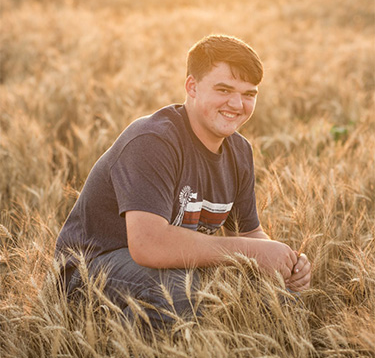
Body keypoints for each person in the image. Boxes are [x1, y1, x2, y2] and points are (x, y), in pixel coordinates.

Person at [55, 34, 311, 330]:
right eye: (224, 89)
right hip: (89, 270)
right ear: (192, 86)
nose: (237, 104)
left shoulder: (240, 152)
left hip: (171, 269)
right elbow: (148, 245)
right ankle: (104, 344)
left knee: (280, 295)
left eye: (249, 94)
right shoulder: (153, 140)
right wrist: (251, 253)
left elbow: (249, 233)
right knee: (180, 290)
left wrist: (286, 262)